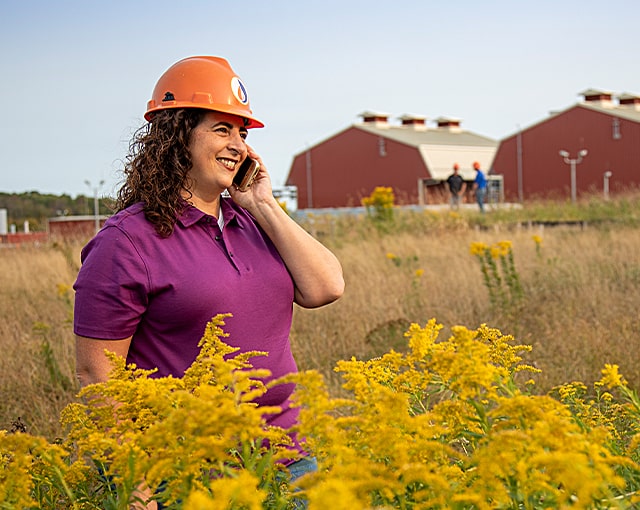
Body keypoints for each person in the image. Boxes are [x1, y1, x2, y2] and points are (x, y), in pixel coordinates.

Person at [73, 56, 345, 508]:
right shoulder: (126, 242)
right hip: (191, 474)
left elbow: (326, 287)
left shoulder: (254, 220)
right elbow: (97, 373)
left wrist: (263, 204)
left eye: (243, 132)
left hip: (286, 459)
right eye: (222, 129)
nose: (238, 144)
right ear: (178, 134)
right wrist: (134, 481)